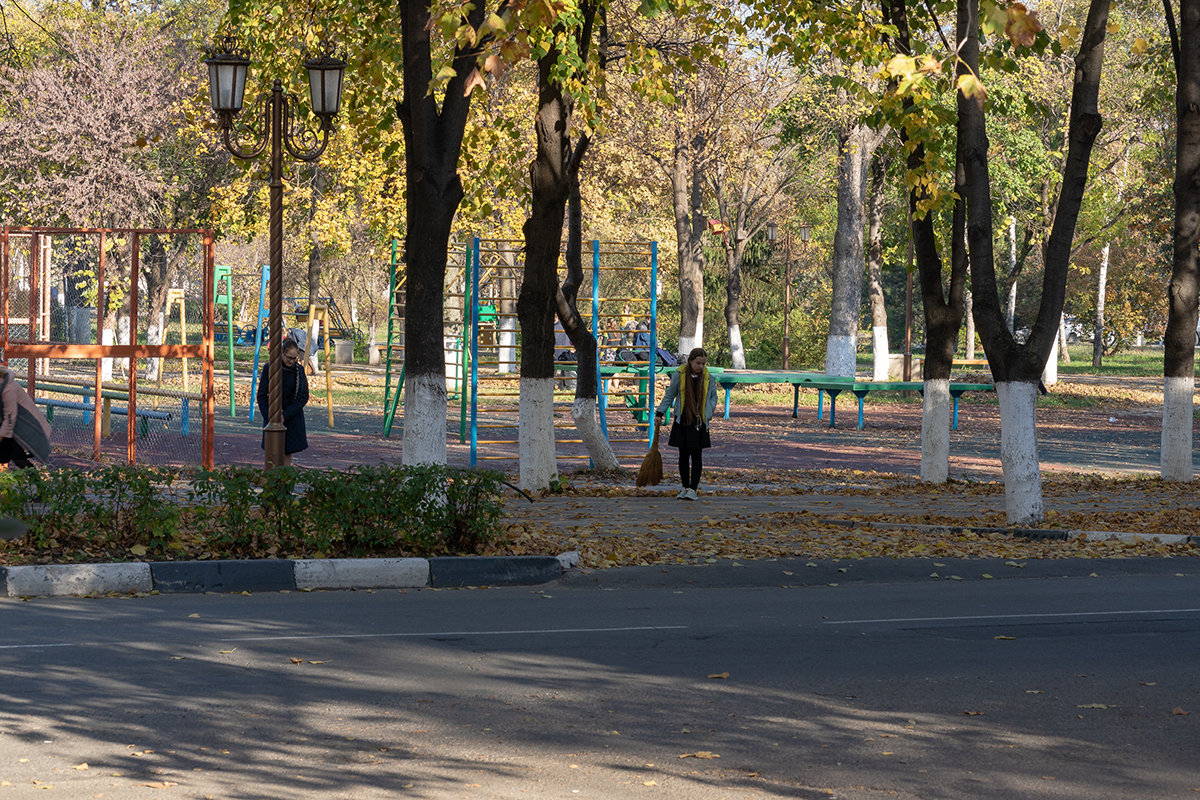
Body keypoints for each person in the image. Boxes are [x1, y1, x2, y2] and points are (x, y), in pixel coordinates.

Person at [654, 347, 718, 500]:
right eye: (698, 363)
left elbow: (713, 398)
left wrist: (708, 413)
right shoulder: (680, 375)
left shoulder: (709, 378)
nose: (701, 367)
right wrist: (659, 413)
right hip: (683, 419)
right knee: (683, 455)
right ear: (690, 361)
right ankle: (685, 487)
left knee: (697, 455)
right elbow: (670, 395)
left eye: (703, 364)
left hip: (699, 421)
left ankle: (693, 489)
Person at [256, 338, 309, 465]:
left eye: (294, 358)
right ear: (282, 354)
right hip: (272, 416)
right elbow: (262, 396)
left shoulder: (299, 371)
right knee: (272, 451)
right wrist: (270, 416)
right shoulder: (270, 368)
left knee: (286, 452)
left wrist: (285, 416)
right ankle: (272, 480)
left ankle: (286, 481)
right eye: (288, 357)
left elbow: (303, 397)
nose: (291, 361)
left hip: (290, 417)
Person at [0, 364, 51, 469]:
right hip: (11, 427)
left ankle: (38, 483)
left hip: (24, 428)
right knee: (17, 457)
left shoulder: (9, 389)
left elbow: (10, 418)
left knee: (18, 457)